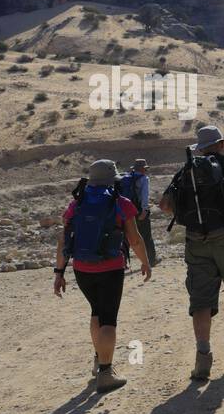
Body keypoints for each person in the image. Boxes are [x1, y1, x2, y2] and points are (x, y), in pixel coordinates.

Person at [158, 125, 224, 381]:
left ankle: (203, 357)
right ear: (221, 144)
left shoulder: (187, 170)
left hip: (196, 242)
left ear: (200, 148)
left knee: (201, 301)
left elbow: (165, 206)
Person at [53, 160, 152, 393]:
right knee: (108, 318)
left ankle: (99, 360)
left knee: (96, 311)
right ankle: (106, 373)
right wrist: (145, 262)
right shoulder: (121, 203)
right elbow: (135, 239)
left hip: (82, 269)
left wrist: (59, 272)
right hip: (110, 268)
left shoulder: (76, 203)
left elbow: (63, 241)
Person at [118, 160, 155, 268]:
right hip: (138, 210)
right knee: (146, 236)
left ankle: (122, 263)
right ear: (143, 169)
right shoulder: (144, 179)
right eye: (145, 169)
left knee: (126, 237)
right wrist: (144, 210)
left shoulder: (126, 177)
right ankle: (151, 260)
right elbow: (144, 196)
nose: (146, 171)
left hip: (126, 211)